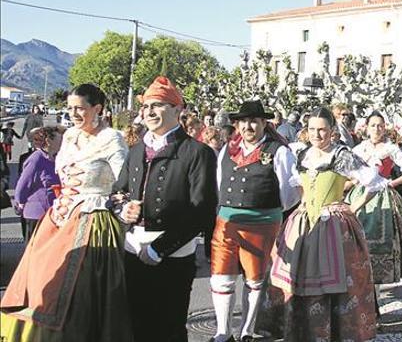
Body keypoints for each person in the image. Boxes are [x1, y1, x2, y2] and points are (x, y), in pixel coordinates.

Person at [1, 84, 133, 341]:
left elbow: (124, 182)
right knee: (40, 277)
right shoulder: (70, 136)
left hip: (95, 217)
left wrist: (119, 204)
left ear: (97, 108)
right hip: (59, 214)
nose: (73, 113)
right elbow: (62, 174)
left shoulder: (112, 139)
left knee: (80, 290)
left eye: (80, 108)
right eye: (70, 108)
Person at [113, 76, 218, 342]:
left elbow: (202, 211)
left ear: (177, 110)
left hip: (173, 255)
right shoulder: (136, 150)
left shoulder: (198, 153)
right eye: (146, 106)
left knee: (168, 328)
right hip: (134, 250)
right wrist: (123, 208)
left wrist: (159, 248)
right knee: (135, 325)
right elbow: (117, 191)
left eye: (158, 105)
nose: (149, 112)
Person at [269, 106, 386, 341]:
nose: (317, 135)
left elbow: (374, 182)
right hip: (304, 223)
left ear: (332, 131)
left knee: (333, 281)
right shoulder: (302, 154)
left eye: (322, 130)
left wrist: (353, 207)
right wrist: (303, 204)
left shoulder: (341, 155)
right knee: (297, 277)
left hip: (332, 225)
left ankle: (332, 332)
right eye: (312, 129)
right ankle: (303, 330)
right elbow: (297, 185)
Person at [209, 100, 298, 342]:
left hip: (261, 223)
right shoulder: (228, 149)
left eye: (255, 122)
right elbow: (219, 183)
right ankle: (222, 332)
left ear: (263, 124)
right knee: (221, 276)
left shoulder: (279, 151)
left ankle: (247, 331)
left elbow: (290, 193)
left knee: (254, 278)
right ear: (237, 125)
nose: (249, 126)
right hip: (226, 222)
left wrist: (270, 212)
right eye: (244, 121)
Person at [350, 111, 402, 288]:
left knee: (384, 241)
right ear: (366, 127)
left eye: (380, 126)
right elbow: (349, 174)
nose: (377, 129)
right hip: (360, 196)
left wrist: (390, 183)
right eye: (373, 125)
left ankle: (377, 288)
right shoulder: (358, 150)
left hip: (384, 197)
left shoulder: (390, 148)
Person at [12, 126, 64, 240]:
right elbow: (23, 184)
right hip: (36, 214)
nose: (62, 142)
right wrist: (19, 203)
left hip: (52, 213)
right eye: (59, 139)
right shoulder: (36, 158)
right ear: (48, 141)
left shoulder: (56, 158)